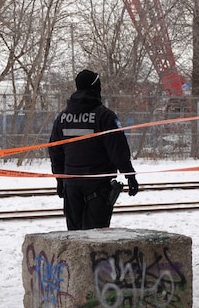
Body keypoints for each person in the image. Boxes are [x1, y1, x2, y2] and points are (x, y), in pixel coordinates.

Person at [49, 69, 139, 230]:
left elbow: (55, 151)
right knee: (95, 240)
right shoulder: (105, 116)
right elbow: (117, 149)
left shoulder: (62, 117)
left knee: (75, 238)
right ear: (97, 88)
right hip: (99, 186)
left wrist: (60, 179)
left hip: (71, 185)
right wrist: (130, 174)